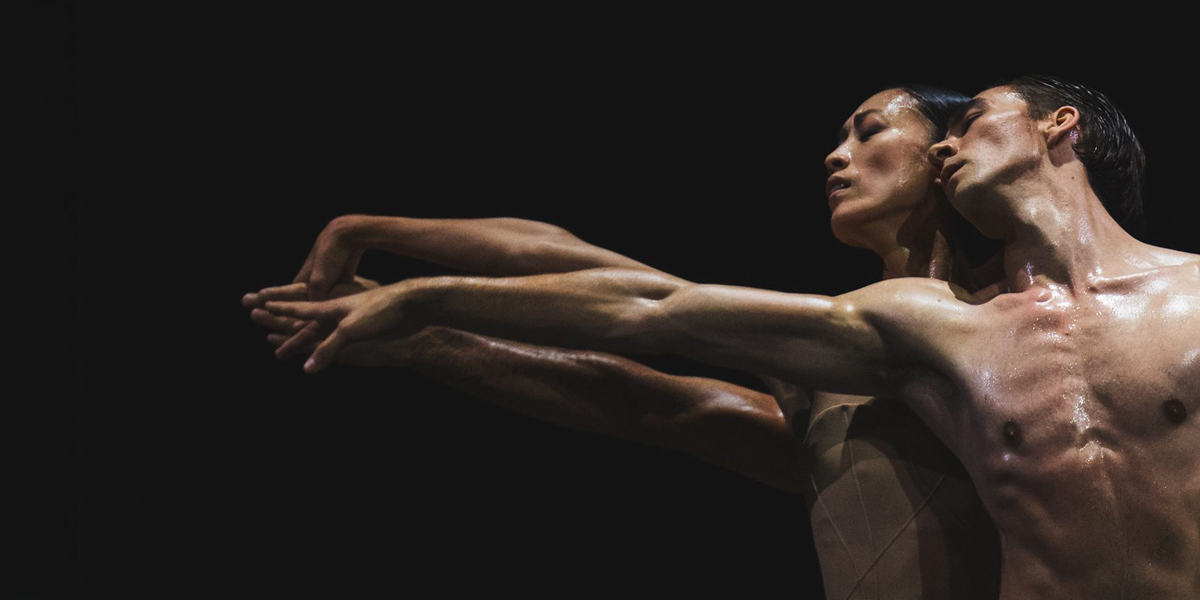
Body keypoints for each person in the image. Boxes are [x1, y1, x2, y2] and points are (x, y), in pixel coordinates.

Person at [255, 75, 1200, 599]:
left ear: (952, 153)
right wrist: (414, 305)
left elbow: (646, 316)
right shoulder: (880, 334)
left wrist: (421, 298)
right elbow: (637, 322)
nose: (837, 154)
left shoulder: (1000, 314)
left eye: (871, 131)